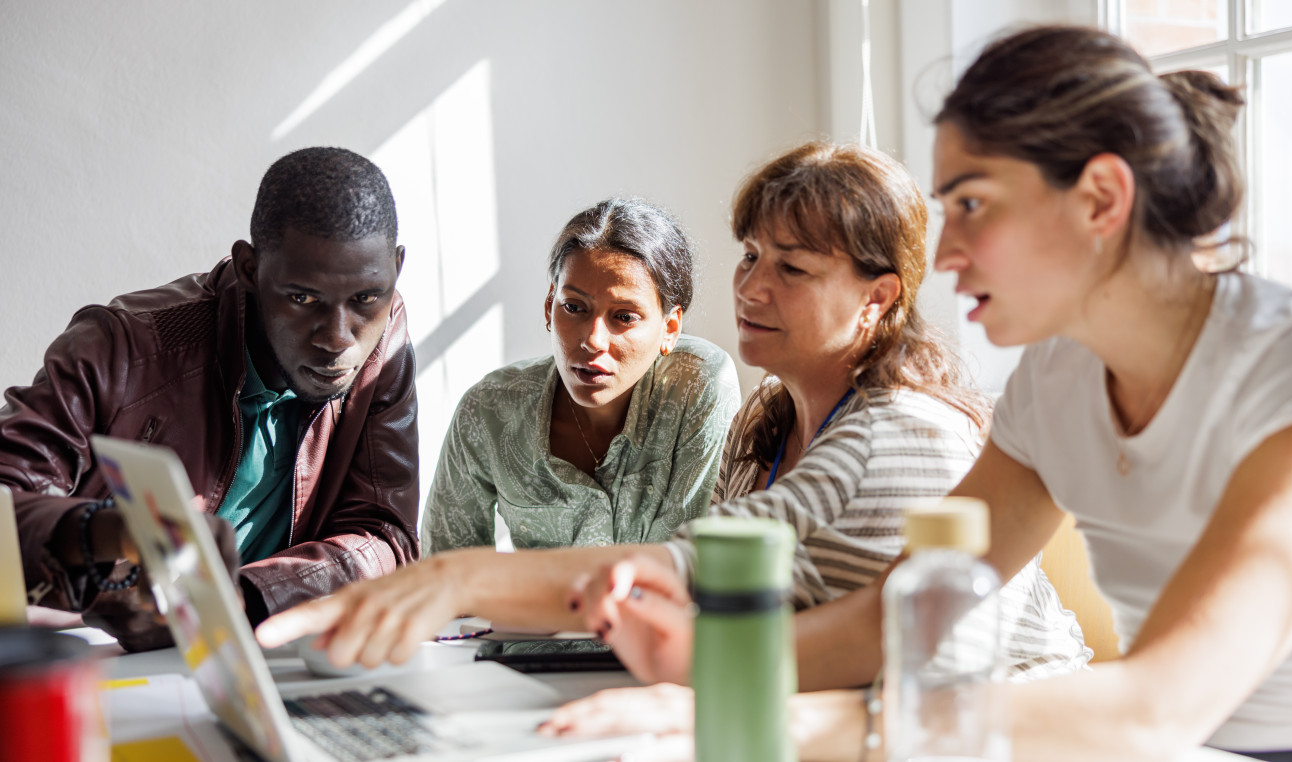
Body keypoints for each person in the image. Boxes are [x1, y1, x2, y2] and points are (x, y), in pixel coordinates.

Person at [544, 25, 1292, 762]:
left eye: (972, 204)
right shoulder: (1056, 376)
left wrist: (780, 722)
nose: (950, 250)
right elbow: (896, 614)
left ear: (1102, 200)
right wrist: (697, 671)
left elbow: (1156, 707)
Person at [255, 142, 1088, 682]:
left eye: (792, 269)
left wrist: (453, 580)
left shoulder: (895, 436)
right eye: (752, 256)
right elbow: (727, 606)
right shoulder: (769, 423)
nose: (752, 287)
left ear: (876, 302)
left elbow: (689, 571)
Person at [5, 147, 420, 652]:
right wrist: (107, 538)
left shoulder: (384, 339)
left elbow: (387, 537)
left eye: (365, 298)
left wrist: (241, 600)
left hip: (261, 657)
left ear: (395, 270)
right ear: (249, 267)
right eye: (302, 298)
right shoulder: (120, 347)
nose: (338, 338)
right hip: (91, 658)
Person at [421, 199, 740, 553]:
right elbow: (445, 566)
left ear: (670, 328)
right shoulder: (489, 410)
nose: (592, 341)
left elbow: (698, 559)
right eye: (573, 308)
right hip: (527, 609)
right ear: (549, 307)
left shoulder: (699, 386)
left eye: (624, 317)